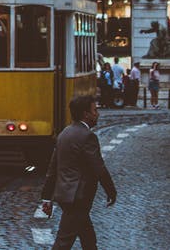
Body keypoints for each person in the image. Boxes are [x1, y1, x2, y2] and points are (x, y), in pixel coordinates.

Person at [40, 95, 117, 250]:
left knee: (88, 237)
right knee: (64, 241)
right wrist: (111, 191)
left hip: (66, 195)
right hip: (78, 197)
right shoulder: (88, 136)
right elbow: (98, 167)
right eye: (94, 110)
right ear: (85, 114)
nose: (98, 114)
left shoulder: (64, 133)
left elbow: (53, 168)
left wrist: (46, 197)